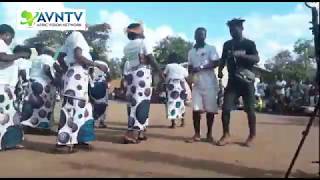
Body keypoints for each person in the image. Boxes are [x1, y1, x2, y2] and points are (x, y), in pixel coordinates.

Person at [55, 30, 108, 153]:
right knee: (72, 107)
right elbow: (78, 56)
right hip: (78, 74)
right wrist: (97, 65)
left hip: (76, 74)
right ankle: (63, 143)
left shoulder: (71, 38)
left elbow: (60, 57)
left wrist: (66, 69)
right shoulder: (77, 35)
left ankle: (79, 139)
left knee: (84, 110)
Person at [217, 18, 260, 147]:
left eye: (234, 29)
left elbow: (256, 58)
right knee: (225, 108)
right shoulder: (227, 45)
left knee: (250, 110)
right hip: (232, 82)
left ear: (241, 29)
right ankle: (226, 134)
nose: (232, 32)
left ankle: (252, 136)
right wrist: (220, 70)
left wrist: (242, 56)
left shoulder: (249, 44)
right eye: (230, 30)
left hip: (246, 82)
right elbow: (223, 59)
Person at [122, 22, 162, 144]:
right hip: (142, 75)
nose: (144, 32)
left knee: (133, 102)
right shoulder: (143, 43)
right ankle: (132, 133)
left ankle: (140, 132)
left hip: (131, 75)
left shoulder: (127, 46)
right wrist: (160, 73)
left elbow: (139, 59)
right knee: (142, 103)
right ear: (138, 32)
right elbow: (151, 59)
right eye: (142, 30)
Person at [186, 27, 220, 143]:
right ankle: (196, 134)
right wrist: (190, 77)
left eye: (203, 34)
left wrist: (201, 67)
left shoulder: (211, 48)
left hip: (209, 83)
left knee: (210, 110)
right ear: (195, 36)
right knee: (196, 109)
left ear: (205, 36)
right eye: (198, 34)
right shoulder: (191, 51)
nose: (201, 36)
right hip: (197, 83)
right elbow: (190, 66)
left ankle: (209, 134)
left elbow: (216, 62)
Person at [0, 24, 30, 151]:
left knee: (11, 116)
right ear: (6, 34)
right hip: (2, 86)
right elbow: (2, 57)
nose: (11, 40)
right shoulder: (0, 42)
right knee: (3, 116)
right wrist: (21, 54)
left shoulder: (5, 47)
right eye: (11, 37)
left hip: (7, 88)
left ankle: (9, 142)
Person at [20, 43, 57, 134]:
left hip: (32, 83)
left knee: (32, 105)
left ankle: (29, 126)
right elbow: (46, 68)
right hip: (42, 85)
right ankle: (43, 128)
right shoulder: (47, 58)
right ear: (50, 53)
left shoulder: (36, 58)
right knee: (44, 106)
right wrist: (53, 79)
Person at [163, 52, 189, 128]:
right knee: (181, 104)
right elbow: (186, 76)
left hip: (172, 85)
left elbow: (164, 74)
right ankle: (183, 122)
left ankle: (173, 123)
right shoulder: (182, 68)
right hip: (181, 85)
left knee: (171, 104)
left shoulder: (168, 66)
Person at [88, 60, 111, 128]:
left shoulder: (91, 64)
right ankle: (96, 121)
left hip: (95, 85)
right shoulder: (103, 64)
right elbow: (108, 76)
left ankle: (98, 121)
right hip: (100, 85)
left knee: (95, 104)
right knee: (102, 104)